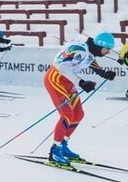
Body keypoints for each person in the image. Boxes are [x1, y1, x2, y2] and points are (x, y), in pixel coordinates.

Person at [43, 32, 118, 166]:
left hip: (67, 80)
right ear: (100, 45)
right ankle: (55, 151)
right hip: (55, 78)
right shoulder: (80, 48)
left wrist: (102, 72)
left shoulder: (88, 50)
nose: (108, 52)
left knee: (78, 113)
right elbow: (62, 66)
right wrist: (81, 82)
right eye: (107, 49)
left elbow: (89, 59)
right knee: (67, 113)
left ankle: (63, 145)